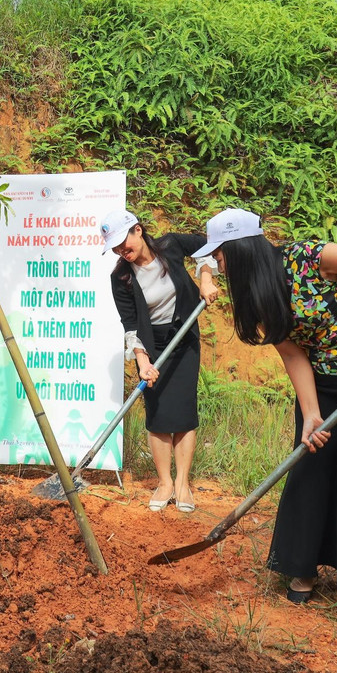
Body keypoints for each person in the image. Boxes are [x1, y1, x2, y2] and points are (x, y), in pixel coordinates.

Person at [194, 208, 337, 625]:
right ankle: (304, 565)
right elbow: (292, 352)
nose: (218, 265)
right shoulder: (255, 294)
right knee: (310, 470)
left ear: (239, 249)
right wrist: (311, 414)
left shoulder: (311, 258)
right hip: (322, 385)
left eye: (220, 256)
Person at [102, 209, 219, 513]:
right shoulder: (121, 277)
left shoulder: (171, 245)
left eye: (123, 241)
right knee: (157, 413)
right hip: (151, 345)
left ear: (138, 230)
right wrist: (142, 361)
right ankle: (165, 483)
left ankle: (182, 484)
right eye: (115, 247)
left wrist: (206, 280)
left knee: (184, 410)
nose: (121, 250)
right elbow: (130, 324)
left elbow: (208, 249)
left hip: (184, 337)